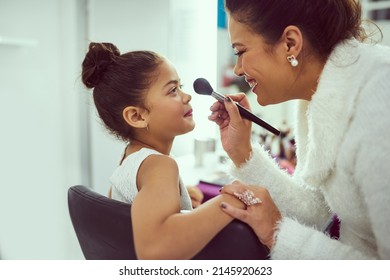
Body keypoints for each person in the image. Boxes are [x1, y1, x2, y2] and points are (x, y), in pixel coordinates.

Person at [209, 0, 390, 259]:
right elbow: (318, 212)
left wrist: (277, 234)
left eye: (240, 51)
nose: (237, 69)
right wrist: (243, 153)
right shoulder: (317, 97)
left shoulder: (380, 100)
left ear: (290, 43)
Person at [81, 42, 245, 260]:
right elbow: (154, 250)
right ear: (137, 116)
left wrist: (179, 202)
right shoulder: (160, 165)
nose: (187, 96)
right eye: (173, 90)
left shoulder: (131, 156)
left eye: (181, 86)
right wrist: (230, 202)